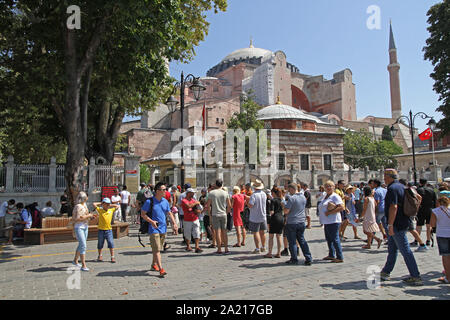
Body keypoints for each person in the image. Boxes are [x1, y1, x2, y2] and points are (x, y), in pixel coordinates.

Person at [380, 169, 423, 286]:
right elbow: (419, 198)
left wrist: (390, 225)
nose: (383, 178)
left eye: (384, 176)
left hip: (396, 224)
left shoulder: (392, 189)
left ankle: (415, 276)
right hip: (403, 221)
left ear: (389, 177)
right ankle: (385, 272)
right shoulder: (402, 186)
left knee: (405, 250)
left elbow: (393, 207)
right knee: (392, 249)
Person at [141, 182, 177, 277]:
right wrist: (151, 221)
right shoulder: (150, 202)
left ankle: (154, 264)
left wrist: (174, 224)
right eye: (163, 189)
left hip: (163, 228)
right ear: (157, 191)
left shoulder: (165, 201)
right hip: (153, 229)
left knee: (157, 249)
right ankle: (161, 269)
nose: (165, 191)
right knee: (157, 250)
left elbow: (169, 213)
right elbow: (143, 214)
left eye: (165, 189)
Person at [283, 183, 312, 265]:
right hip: (301, 221)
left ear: (292, 189)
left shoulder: (292, 198)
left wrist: (284, 205)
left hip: (292, 222)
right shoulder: (303, 197)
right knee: (302, 240)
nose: (289, 192)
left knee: (292, 242)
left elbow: (286, 211)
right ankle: (308, 257)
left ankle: (294, 258)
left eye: (289, 190)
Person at [318, 181, 344, 263]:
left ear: (334, 187)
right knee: (329, 238)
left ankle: (339, 256)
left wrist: (329, 212)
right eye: (327, 186)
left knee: (335, 239)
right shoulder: (325, 196)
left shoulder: (335, 196)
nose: (328, 188)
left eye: (330, 186)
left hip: (334, 220)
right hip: (327, 221)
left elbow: (341, 207)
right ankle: (331, 254)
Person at [205, 179, 232, 254]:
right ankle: (226, 248)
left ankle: (219, 249)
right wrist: (226, 213)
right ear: (222, 184)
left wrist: (210, 215)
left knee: (217, 232)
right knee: (224, 231)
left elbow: (208, 205)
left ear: (216, 184)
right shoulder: (225, 193)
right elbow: (229, 206)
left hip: (215, 214)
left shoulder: (211, 193)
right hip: (223, 214)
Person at [71, 192, 94, 271]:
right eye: (86, 196)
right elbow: (78, 218)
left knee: (81, 244)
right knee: (83, 245)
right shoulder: (78, 206)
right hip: (79, 227)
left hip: (85, 226)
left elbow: (86, 215)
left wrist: (91, 217)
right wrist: (88, 216)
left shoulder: (85, 205)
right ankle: (83, 265)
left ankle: (75, 260)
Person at [430, 195, 450, 283]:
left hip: (442, 234)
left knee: (445, 256)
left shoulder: (435, 211)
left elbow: (432, 224)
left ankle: (448, 277)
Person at [94, 198, 119, 263]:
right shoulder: (100, 210)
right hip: (101, 230)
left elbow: (117, 206)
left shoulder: (111, 210)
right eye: (106, 204)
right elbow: (94, 204)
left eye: (108, 204)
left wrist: (110, 205)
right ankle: (100, 255)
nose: (108, 205)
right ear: (103, 204)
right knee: (100, 243)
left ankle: (112, 257)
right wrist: (101, 203)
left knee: (111, 243)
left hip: (108, 230)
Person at [415, 179, 437, 248]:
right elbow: (435, 200)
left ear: (420, 183)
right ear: (426, 182)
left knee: (419, 225)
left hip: (421, 209)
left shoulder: (418, 190)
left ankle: (417, 240)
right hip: (430, 209)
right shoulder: (432, 190)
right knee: (429, 226)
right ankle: (428, 240)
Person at [248, 179, 267, 254]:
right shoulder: (264, 194)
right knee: (263, 232)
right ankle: (263, 246)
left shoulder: (254, 195)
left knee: (255, 232)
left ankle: (257, 248)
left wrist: (247, 204)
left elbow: (251, 205)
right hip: (263, 215)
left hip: (255, 216)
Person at [181, 188, 203, 253]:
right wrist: (196, 203)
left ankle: (197, 247)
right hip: (187, 220)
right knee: (187, 234)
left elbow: (199, 208)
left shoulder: (193, 200)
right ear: (188, 193)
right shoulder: (184, 200)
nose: (193, 194)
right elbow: (189, 206)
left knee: (197, 232)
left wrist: (199, 210)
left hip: (195, 219)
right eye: (192, 193)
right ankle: (188, 246)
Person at [264, 187, 284, 258]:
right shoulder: (281, 199)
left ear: (273, 193)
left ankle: (269, 253)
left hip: (274, 218)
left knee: (271, 236)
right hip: (281, 218)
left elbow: (271, 212)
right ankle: (279, 253)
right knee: (279, 236)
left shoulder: (273, 200)